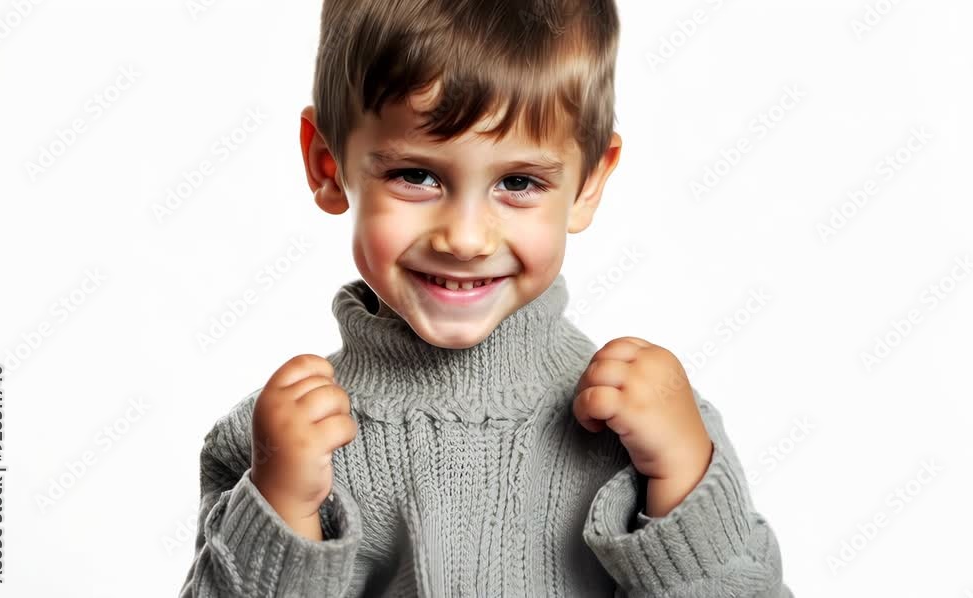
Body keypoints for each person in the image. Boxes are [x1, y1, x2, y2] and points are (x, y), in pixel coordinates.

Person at [180, 0, 793, 595]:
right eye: (415, 176)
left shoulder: (651, 425)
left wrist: (684, 483)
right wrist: (281, 506)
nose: (467, 238)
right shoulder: (279, 441)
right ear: (325, 162)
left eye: (519, 182)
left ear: (587, 184)